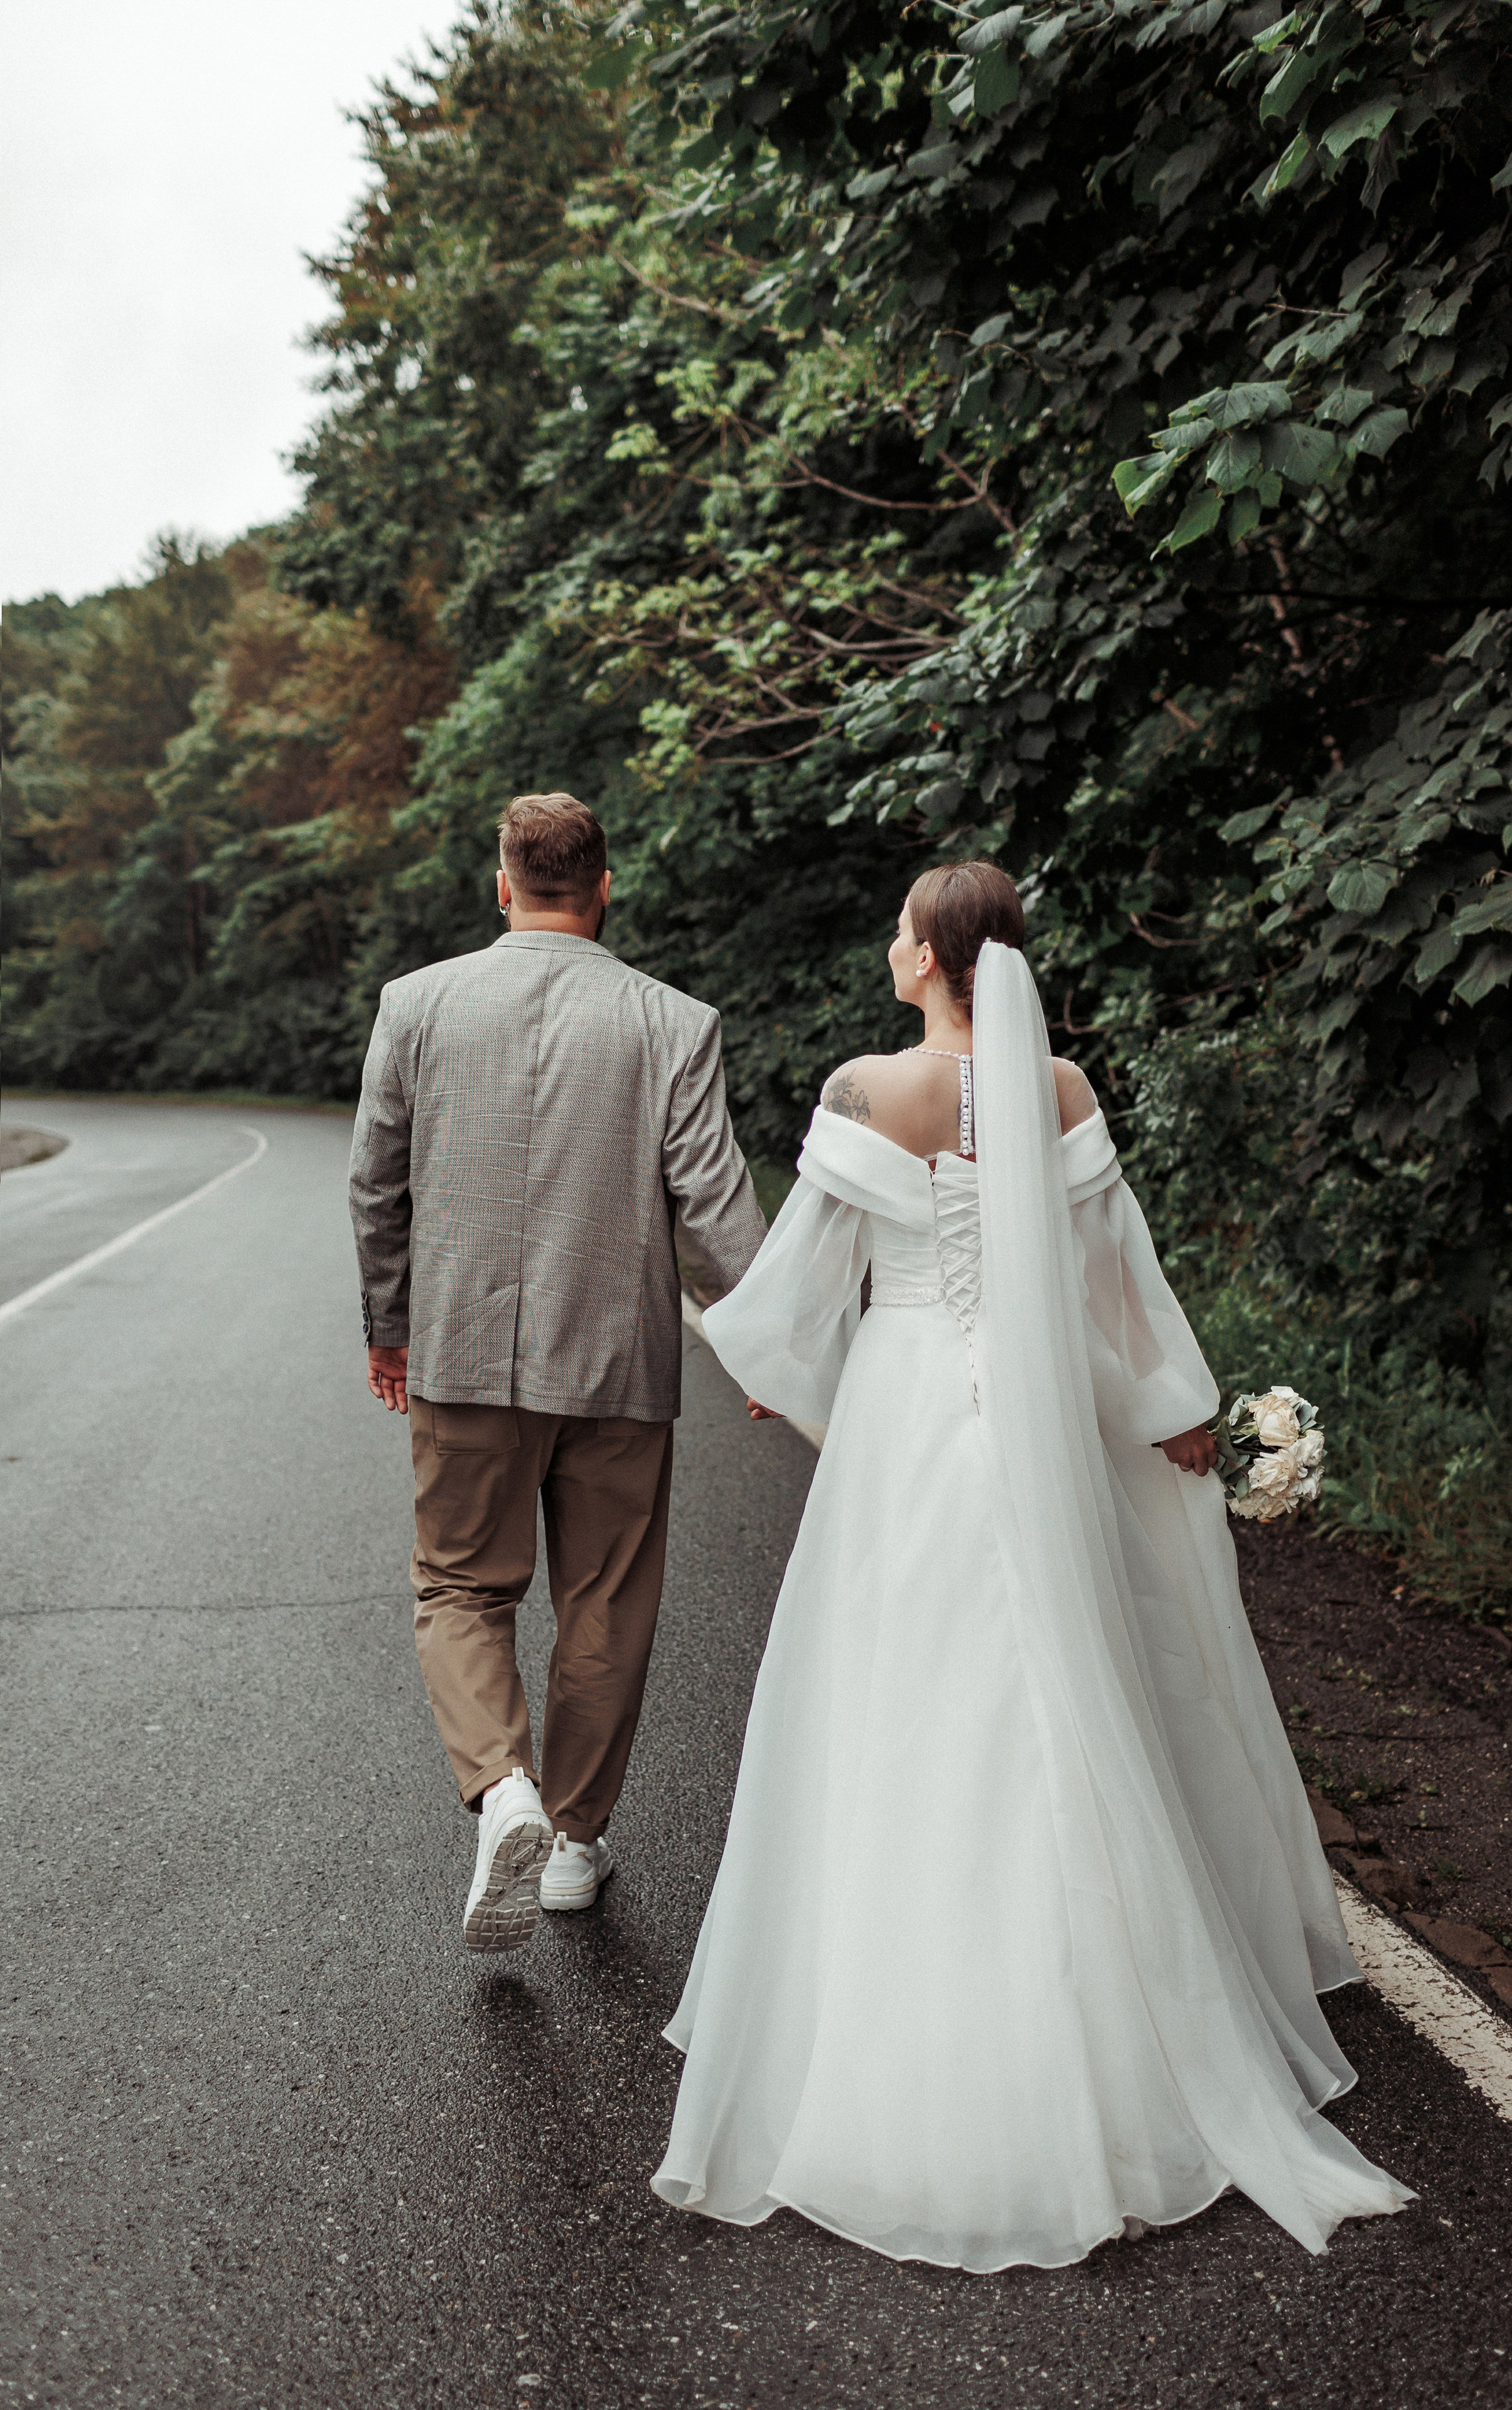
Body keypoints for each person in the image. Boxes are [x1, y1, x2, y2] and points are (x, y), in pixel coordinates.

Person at [652, 861, 1412, 2269]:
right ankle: (1112, 2019)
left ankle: (908, 2012)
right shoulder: (1059, 1092)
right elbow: (1114, 1282)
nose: (887, 948)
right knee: (1060, 1676)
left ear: (932, 958)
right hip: (1041, 1414)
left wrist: (752, 1352)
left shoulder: (863, 1093)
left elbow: (798, 1301)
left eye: (897, 931)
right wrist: (1170, 1407)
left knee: (900, 1691)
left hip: (906, 1416)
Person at [350, 792, 766, 1951]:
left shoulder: (417, 1004)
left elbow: (376, 1183)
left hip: (459, 1355)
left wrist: (390, 1323)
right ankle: (574, 1840)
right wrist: (774, 1344)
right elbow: (719, 1217)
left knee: (461, 1588)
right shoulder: (672, 1022)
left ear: (503, 886)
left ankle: (505, 1789)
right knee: (606, 1597)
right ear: (605, 886)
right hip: (619, 1361)